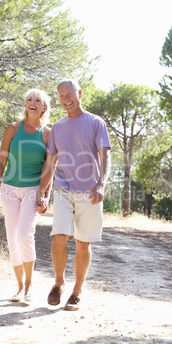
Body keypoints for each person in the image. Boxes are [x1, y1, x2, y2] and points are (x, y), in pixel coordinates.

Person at [36, 79, 111, 310]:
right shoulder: (58, 127)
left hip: (90, 191)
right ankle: (59, 283)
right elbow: (50, 164)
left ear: (79, 93)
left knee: (82, 243)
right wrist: (42, 191)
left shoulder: (95, 122)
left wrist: (101, 184)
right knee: (59, 235)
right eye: (61, 96)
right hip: (63, 187)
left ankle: (77, 291)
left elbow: (105, 156)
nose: (66, 99)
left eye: (69, 94)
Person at [0, 88, 51, 303]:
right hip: (9, 189)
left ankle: (30, 286)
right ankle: (19, 287)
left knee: (25, 234)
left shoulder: (47, 134)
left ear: (44, 108)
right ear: (25, 105)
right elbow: (1, 161)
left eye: (37, 100)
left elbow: (50, 167)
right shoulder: (13, 129)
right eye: (29, 99)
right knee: (12, 238)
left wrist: (45, 195)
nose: (32, 102)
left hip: (33, 189)